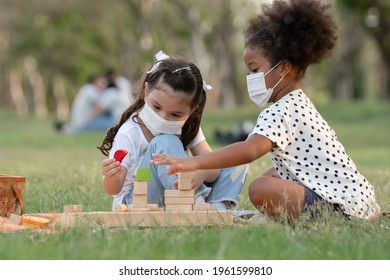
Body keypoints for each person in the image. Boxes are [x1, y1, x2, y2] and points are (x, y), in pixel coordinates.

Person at [151, 0, 381, 221]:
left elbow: (250, 150)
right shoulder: (298, 103)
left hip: (342, 207)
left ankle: (333, 219)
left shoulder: (281, 111)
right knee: (273, 173)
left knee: (260, 188)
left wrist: (197, 163)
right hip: (357, 200)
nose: (250, 78)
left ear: (283, 68)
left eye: (254, 70)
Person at [98, 51, 248, 212]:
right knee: (164, 141)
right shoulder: (129, 133)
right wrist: (110, 176)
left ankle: (217, 208)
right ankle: (194, 201)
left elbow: (214, 166)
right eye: (156, 107)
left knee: (234, 157)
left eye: (175, 114)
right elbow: (113, 189)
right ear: (146, 91)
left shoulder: (188, 127)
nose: (163, 118)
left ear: (192, 111)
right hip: (137, 199)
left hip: (178, 191)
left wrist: (202, 172)